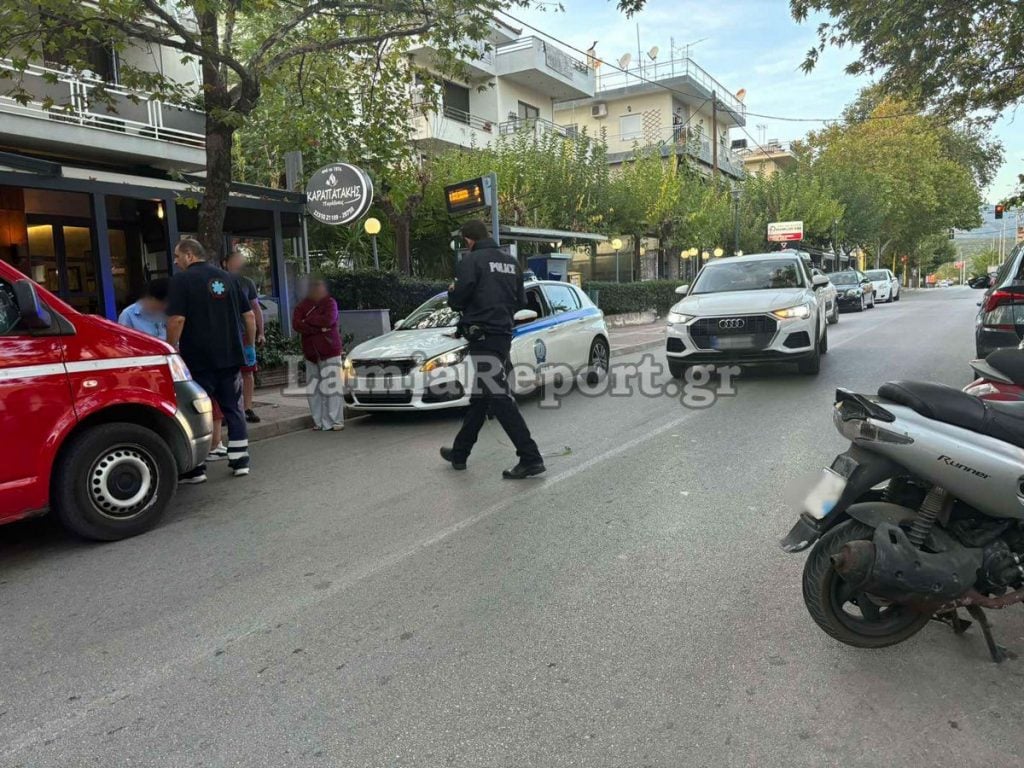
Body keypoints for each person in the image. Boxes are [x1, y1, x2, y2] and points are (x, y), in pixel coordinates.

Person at [440, 220, 544, 479]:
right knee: (481, 397)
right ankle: (460, 452)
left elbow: (458, 300)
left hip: (482, 337)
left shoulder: (471, 261)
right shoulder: (511, 263)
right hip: (502, 335)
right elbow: (521, 300)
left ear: (468, 239)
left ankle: (530, 457)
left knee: (498, 396)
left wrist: (453, 292)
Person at [166, 238, 256, 482]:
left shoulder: (181, 281)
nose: (176, 261)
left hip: (198, 359)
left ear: (189, 255)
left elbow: (177, 320)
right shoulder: (230, 279)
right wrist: (249, 344)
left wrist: (170, 348)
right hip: (230, 356)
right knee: (233, 408)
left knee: (197, 411)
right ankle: (240, 461)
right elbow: (249, 316)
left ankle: (196, 469)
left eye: (177, 256)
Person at [293, 279, 345, 431]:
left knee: (332, 387)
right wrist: (318, 329)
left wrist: (308, 321)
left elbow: (329, 320)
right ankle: (319, 422)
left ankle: (335, 421)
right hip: (311, 353)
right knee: (314, 390)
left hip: (330, 350)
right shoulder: (302, 306)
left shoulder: (330, 302)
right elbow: (297, 324)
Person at [221, 250, 265, 424]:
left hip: (245, 335)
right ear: (225, 263)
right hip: (224, 335)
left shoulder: (247, 283)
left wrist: (261, 332)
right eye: (235, 260)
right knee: (226, 375)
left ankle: (247, 408)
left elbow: (255, 308)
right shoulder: (217, 282)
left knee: (248, 372)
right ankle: (227, 411)